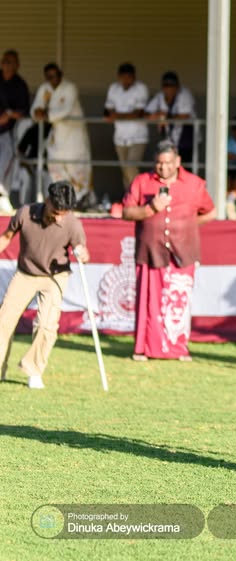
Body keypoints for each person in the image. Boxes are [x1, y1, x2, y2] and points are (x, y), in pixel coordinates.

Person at [121, 140, 215, 361]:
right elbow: (126, 212)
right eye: (159, 164)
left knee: (178, 302)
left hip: (183, 251)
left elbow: (210, 212)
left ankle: (178, 348)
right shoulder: (142, 182)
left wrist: (188, 225)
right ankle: (144, 348)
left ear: (178, 162)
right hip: (150, 249)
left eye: (168, 163)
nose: (163, 168)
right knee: (148, 301)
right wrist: (151, 209)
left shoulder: (194, 184)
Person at [0, 181, 89, 389]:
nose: (58, 217)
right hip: (26, 274)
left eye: (63, 213)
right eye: (56, 212)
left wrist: (82, 254)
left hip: (55, 277)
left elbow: (82, 250)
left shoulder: (72, 224)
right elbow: (6, 237)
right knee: (4, 321)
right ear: (47, 201)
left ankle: (34, 370)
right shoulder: (25, 213)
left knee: (47, 326)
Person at [30, 63, 92, 204]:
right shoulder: (45, 88)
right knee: (55, 164)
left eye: (55, 75)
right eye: (49, 76)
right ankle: (63, 199)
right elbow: (36, 107)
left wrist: (45, 114)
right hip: (57, 135)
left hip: (73, 134)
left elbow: (65, 110)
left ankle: (81, 198)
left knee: (76, 166)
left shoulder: (70, 87)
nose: (53, 79)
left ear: (61, 74)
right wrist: (36, 112)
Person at [104, 62, 150, 191]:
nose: (126, 80)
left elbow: (138, 113)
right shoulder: (114, 88)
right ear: (119, 77)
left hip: (138, 137)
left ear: (134, 77)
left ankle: (139, 194)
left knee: (131, 167)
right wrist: (127, 115)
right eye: (124, 76)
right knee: (125, 171)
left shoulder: (141, 88)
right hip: (119, 136)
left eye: (129, 76)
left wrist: (117, 115)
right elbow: (107, 113)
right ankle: (129, 200)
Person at [145, 71, 197, 163]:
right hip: (168, 138)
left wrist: (165, 116)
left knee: (184, 165)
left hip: (186, 137)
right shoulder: (160, 96)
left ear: (177, 87)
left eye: (172, 86)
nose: (169, 89)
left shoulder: (184, 94)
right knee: (168, 165)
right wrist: (158, 115)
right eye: (166, 86)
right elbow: (146, 113)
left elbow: (184, 116)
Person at [0, 50, 30, 196]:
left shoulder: (20, 85)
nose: (6, 65)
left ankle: (3, 195)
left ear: (17, 65)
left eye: (10, 62)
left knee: (5, 162)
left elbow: (24, 111)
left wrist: (9, 114)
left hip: (8, 132)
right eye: (4, 61)